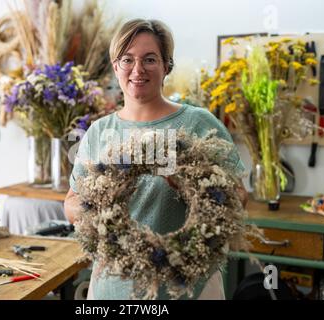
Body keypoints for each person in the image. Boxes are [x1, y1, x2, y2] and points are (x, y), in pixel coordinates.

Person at [64, 18, 248, 300]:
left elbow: (238, 196)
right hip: (114, 289)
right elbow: (71, 203)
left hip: (186, 288)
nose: (137, 70)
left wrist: (186, 182)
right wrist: (101, 199)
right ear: (116, 66)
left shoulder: (199, 124)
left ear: (166, 66)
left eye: (150, 59)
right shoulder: (100, 132)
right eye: (127, 59)